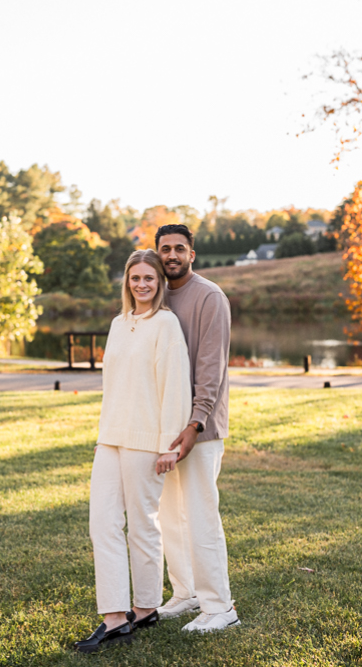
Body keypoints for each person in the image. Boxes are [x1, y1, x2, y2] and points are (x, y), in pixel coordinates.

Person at [74, 249, 191, 653]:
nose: (141, 284)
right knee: (103, 522)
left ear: (159, 283)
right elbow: (114, 386)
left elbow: (174, 386)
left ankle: (144, 608)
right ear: (127, 281)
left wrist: (167, 446)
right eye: (135, 278)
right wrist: (104, 432)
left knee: (143, 524)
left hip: (147, 441)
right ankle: (112, 616)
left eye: (149, 278)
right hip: (111, 437)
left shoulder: (166, 324)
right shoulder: (118, 324)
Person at [151, 224, 239, 633]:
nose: (171, 255)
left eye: (179, 249)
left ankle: (220, 606)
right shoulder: (156, 295)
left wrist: (195, 422)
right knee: (170, 516)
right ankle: (184, 593)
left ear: (192, 254)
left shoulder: (210, 297)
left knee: (202, 515)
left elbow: (212, 368)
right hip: (163, 427)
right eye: (165, 249)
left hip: (199, 428)